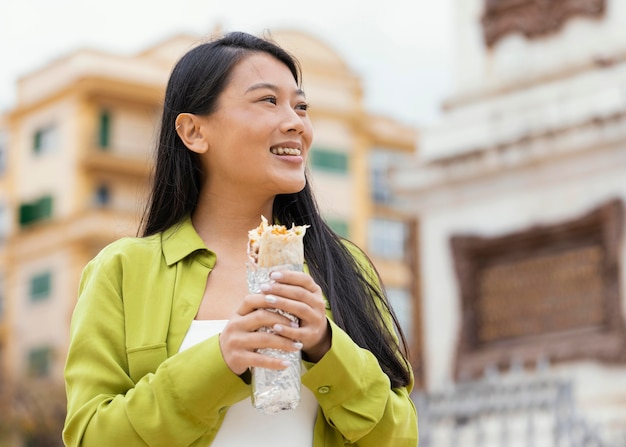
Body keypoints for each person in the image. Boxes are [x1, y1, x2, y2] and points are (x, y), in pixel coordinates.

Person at [62, 31, 417, 446]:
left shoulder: (343, 268)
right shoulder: (123, 270)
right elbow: (90, 437)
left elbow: (401, 435)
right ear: (194, 131)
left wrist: (326, 345)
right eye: (268, 101)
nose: (295, 123)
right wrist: (219, 362)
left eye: (301, 107)